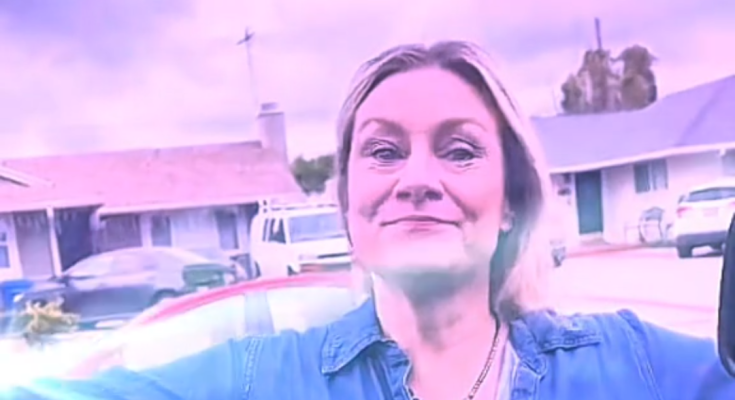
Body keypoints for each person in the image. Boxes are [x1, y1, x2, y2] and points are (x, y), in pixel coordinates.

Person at [5, 40, 735, 400]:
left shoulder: (631, 367)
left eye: (458, 150)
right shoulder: (259, 380)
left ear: (511, 199)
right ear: (347, 202)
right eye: (383, 151)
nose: (416, 179)